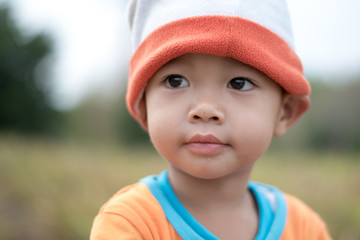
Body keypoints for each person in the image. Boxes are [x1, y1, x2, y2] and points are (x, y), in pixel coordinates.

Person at [90, 0, 332, 239]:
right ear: (143, 107)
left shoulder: (305, 228)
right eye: (175, 81)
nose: (205, 109)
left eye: (239, 83)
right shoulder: (131, 224)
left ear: (285, 112)